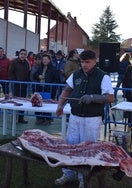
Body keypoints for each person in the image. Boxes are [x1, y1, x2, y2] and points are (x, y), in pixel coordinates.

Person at [54, 50, 114, 188]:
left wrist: (93, 97)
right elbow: (67, 90)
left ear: (95, 61)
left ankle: (84, 178)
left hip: (92, 119)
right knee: (71, 145)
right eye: (82, 62)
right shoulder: (76, 74)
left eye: (88, 62)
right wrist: (60, 105)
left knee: (87, 148)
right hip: (75, 116)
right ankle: (68, 174)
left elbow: (110, 97)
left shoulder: (103, 77)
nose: (85, 65)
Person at [33, 53, 60, 125]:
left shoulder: (53, 69)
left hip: (49, 89)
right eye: (43, 59)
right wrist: (38, 76)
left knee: (47, 104)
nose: (44, 61)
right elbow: (34, 75)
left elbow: (57, 79)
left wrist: (51, 85)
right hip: (40, 88)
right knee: (38, 102)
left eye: (46, 59)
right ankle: (39, 118)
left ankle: (47, 118)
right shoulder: (40, 68)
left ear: (49, 60)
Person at [8, 48, 30, 124]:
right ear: (19, 54)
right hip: (16, 86)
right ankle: (14, 118)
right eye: (21, 54)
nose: (23, 55)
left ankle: (21, 118)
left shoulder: (27, 63)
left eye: (24, 54)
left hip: (24, 86)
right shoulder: (14, 62)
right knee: (15, 102)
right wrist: (15, 81)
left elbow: (28, 73)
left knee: (23, 102)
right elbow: (10, 73)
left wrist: (27, 82)